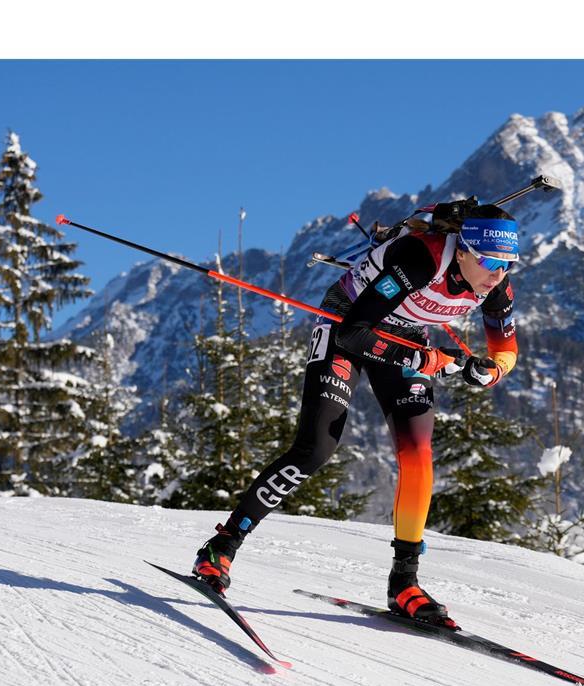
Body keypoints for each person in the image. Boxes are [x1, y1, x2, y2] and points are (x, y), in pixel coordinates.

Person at [192, 203, 520, 627]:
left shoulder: (497, 288)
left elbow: (506, 351)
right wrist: (427, 359)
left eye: (508, 264)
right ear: (462, 251)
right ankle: (222, 547)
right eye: (490, 261)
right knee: (317, 446)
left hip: (405, 338)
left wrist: (490, 371)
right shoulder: (420, 259)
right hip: (346, 325)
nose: (497, 274)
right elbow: (353, 331)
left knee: (418, 455)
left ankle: (405, 583)